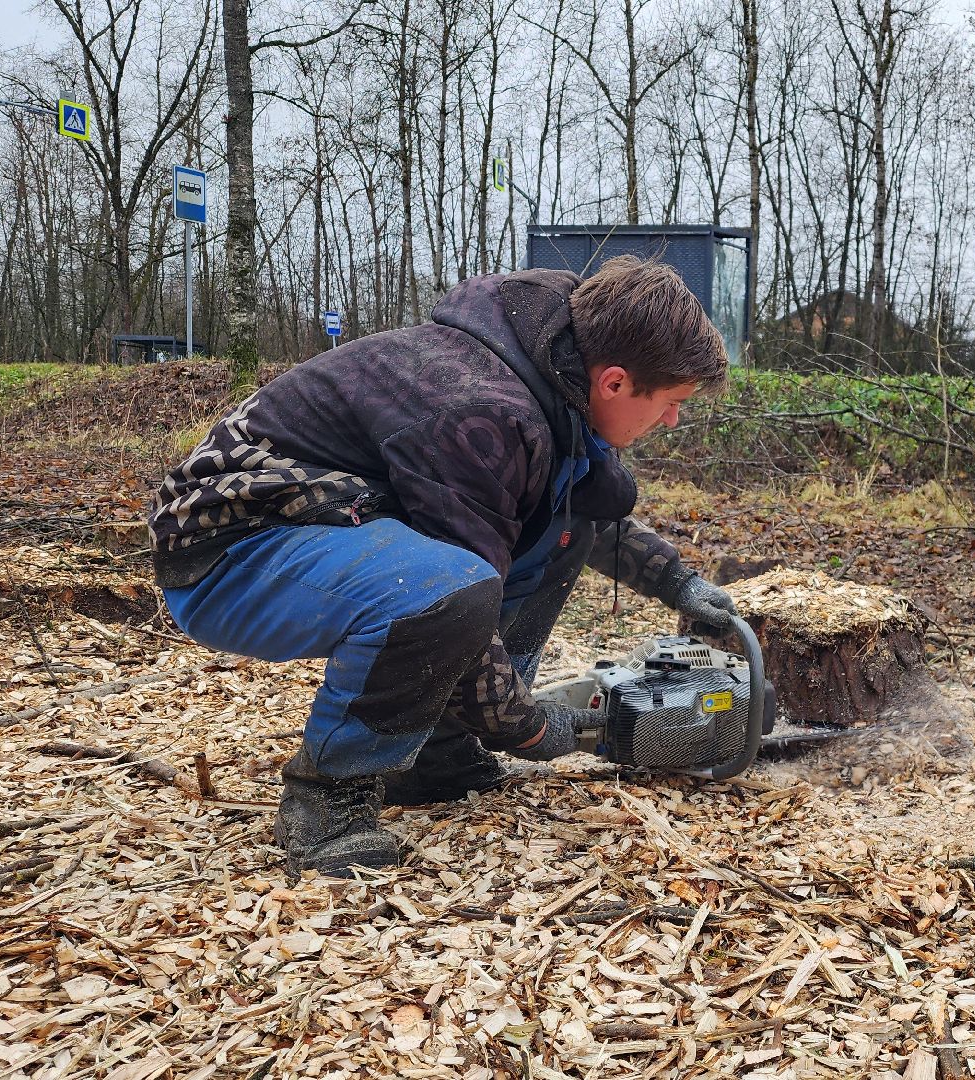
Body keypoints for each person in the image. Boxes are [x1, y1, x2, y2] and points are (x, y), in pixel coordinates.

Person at [146, 257, 739, 878]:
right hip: (228, 552)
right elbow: (458, 600)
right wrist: (531, 728)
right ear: (614, 382)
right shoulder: (482, 412)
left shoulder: (552, 373)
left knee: (556, 536)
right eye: (672, 402)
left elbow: (570, 507)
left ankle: (437, 750)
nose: (672, 420)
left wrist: (674, 580)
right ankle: (328, 802)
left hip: (329, 524)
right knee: (443, 591)